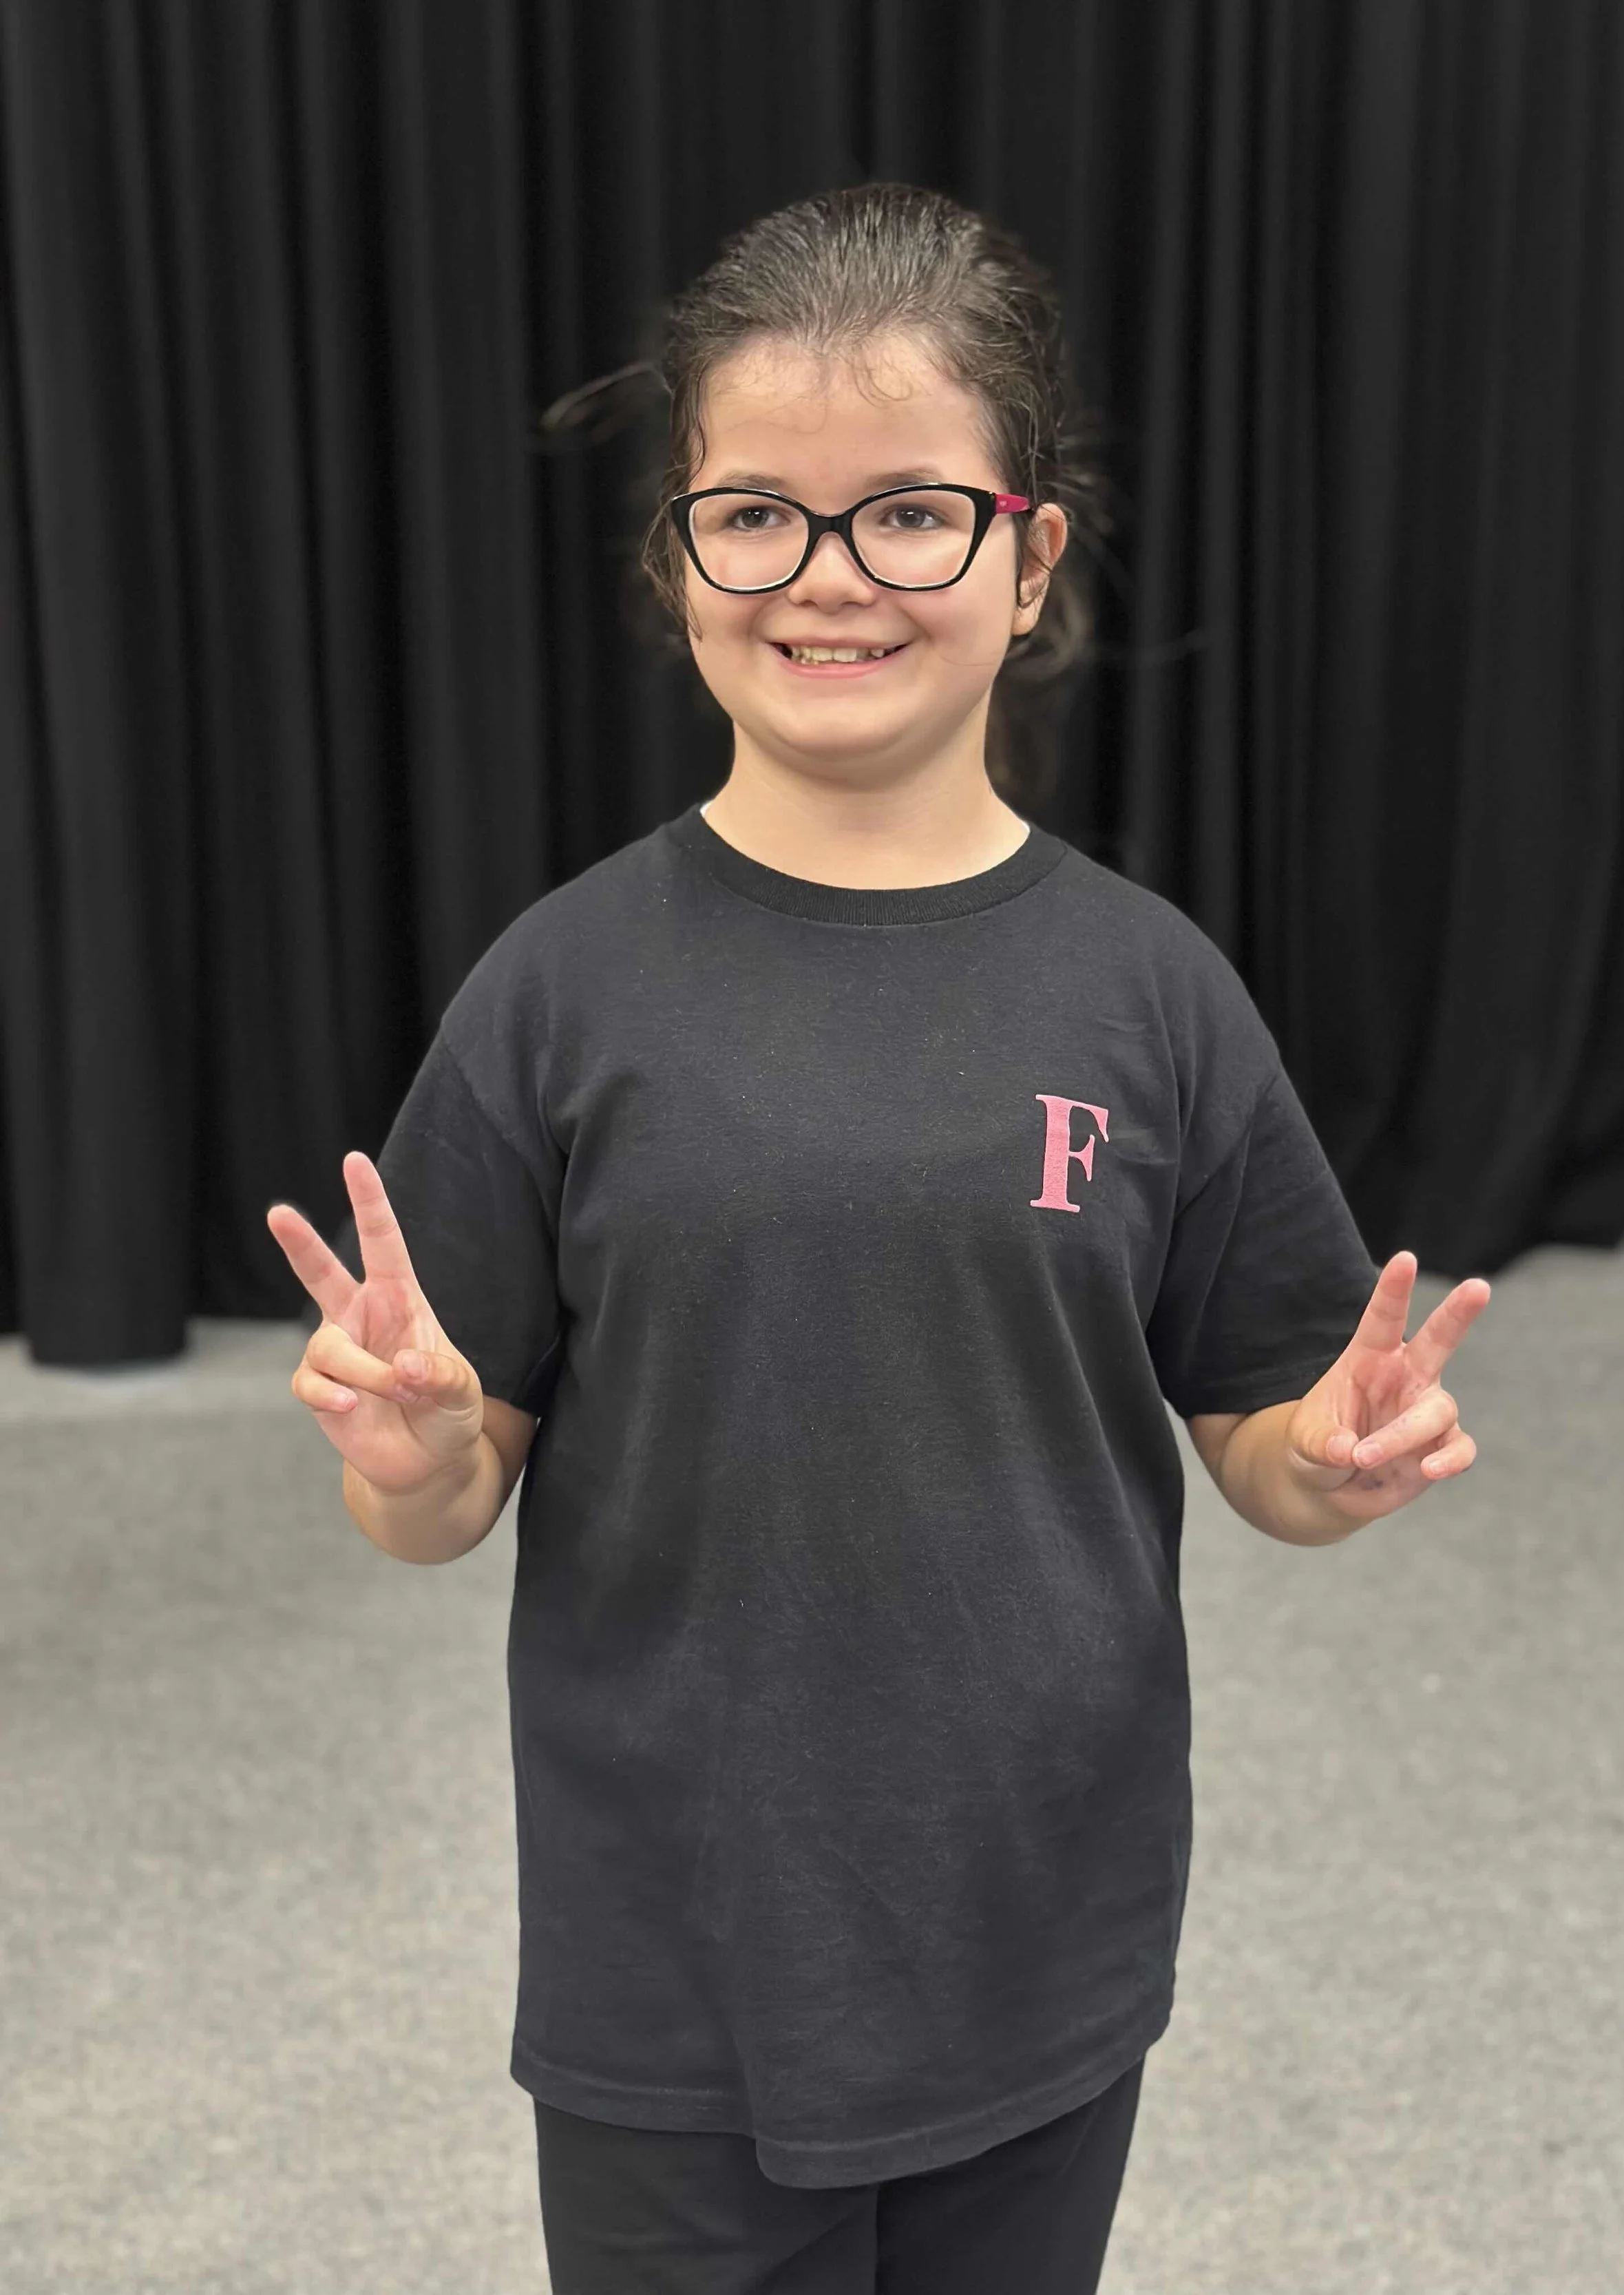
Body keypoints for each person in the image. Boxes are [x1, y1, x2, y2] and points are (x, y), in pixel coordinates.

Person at [266, 182, 1384, 2293]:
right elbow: (436, 1487)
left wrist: (1316, 1466)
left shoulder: (1150, 994)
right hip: (668, 1954)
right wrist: (411, 1459)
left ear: (1027, 550)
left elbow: (1258, 1417)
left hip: (1036, 1930)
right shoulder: (555, 993)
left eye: (908, 514)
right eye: (757, 513)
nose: (830, 576)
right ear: (677, 553)